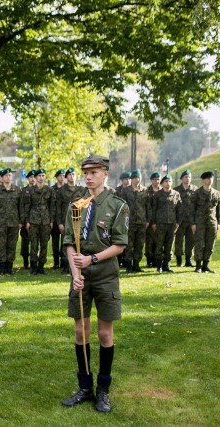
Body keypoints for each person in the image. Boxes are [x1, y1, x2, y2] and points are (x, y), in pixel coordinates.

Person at [62, 154, 129, 413]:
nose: (88, 177)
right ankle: (84, 387)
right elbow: (69, 242)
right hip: (81, 276)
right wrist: (75, 272)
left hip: (105, 275)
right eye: (86, 172)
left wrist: (91, 259)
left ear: (105, 174)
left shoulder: (117, 205)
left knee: (104, 333)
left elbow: (119, 245)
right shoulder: (76, 206)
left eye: (94, 172)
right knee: (81, 332)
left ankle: (103, 389)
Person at [23, 169, 55, 275]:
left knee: (44, 244)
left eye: (43, 175)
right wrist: (27, 221)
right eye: (39, 176)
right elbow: (27, 207)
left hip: (45, 221)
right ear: (35, 178)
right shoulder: (30, 190)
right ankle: (33, 267)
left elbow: (52, 206)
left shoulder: (49, 190)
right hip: (33, 220)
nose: (41, 177)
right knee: (34, 244)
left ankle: (41, 266)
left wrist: (51, 220)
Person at [0, 168, 21, 275]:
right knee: (1, 245)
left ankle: (9, 267)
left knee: (12, 245)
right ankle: (2, 267)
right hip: (1, 223)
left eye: (10, 175)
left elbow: (20, 207)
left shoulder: (17, 190)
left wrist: (20, 221)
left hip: (14, 222)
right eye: (6, 175)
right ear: (2, 178)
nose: (8, 177)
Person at [149, 175, 181, 273]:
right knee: (159, 244)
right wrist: (153, 223)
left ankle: (166, 264)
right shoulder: (157, 195)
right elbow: (153, 209)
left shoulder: (176, 194)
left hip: (172, 223)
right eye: (166, 181)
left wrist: (178, 222)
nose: (168, 183)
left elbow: (179, 209)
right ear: (162, 183)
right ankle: (159, 265)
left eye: (169, 181)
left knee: (169, 244)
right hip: (160, 223)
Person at [120, 169, 150, 273]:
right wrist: (124, 218)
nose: (137, 179)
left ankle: (136, 264)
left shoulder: (145, 190)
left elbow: (148, 206)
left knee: (139, 244)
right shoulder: (125, 191)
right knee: (129, 244)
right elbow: (122, 206)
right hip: (130, 221)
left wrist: (148, 220)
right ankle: (128, 265)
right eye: (135, 178)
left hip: (141, 221)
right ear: (131, 179)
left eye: (139, 177)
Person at [56, 167, 85, 273]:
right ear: (66, 177)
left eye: (73, 174)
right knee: (67, 243)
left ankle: (79, 264)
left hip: (79, 220)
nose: (72, 176)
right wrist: (59, 223)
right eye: (69, 175)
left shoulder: (82, 190)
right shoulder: (62, 191)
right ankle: (66, 265)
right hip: (66, 221)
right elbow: (58, 207)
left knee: (79, 242)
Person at [190, 171, 220, 273]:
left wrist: (218, 223)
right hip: (200, 222)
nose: (210, 180)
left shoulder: (216, 193)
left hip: (212, 222)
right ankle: (198, 265)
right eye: (208, 178)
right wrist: (193, 223)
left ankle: (205, 265)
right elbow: (192, 209)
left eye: (211, 178)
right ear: (203, 180)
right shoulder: (197, 193)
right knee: (199, 243)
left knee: (210, 244)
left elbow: (218, 210)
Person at [173, 170, 197, 267]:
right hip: (180, 220)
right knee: (178, 241)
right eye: (186, 177)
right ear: (181, 179)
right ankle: (179, 260)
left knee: (190, 241)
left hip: (191, 220)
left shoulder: (195, 190)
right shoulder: (176, 190)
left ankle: (188, 260)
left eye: (189, 177)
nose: (187, 179)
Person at [19, 170, 36, 269]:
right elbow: (21, 206)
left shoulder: (39, 190)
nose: (32, 179)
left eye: (34, 177)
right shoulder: (24, 191)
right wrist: (22, 221)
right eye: (30, 177)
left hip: (36, 220)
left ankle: (34, 262)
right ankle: (25, 262)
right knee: (25, 244)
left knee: (35, 243)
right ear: (28, 179)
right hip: (25, 221)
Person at [145, 171, 161, 267]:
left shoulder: (162, 191)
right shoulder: (147, 191)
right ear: (151, 180)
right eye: (155, 179)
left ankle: (157, 260)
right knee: (149, 241)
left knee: (158, 241)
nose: (157, 181)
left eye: (158, 179)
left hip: (160, 220)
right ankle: (149, 260)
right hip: (150, 220)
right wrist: (148, 220)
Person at [51, 169, 66, 269]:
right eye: (60, 176)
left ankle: (64, 262)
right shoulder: (52, 189)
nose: (62, 177)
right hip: (55, 219)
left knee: (64, 242)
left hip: (64, 219)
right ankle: (56, 262)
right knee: (55, 242)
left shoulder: (66, 189)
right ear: (56, 178)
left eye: (63, 175)